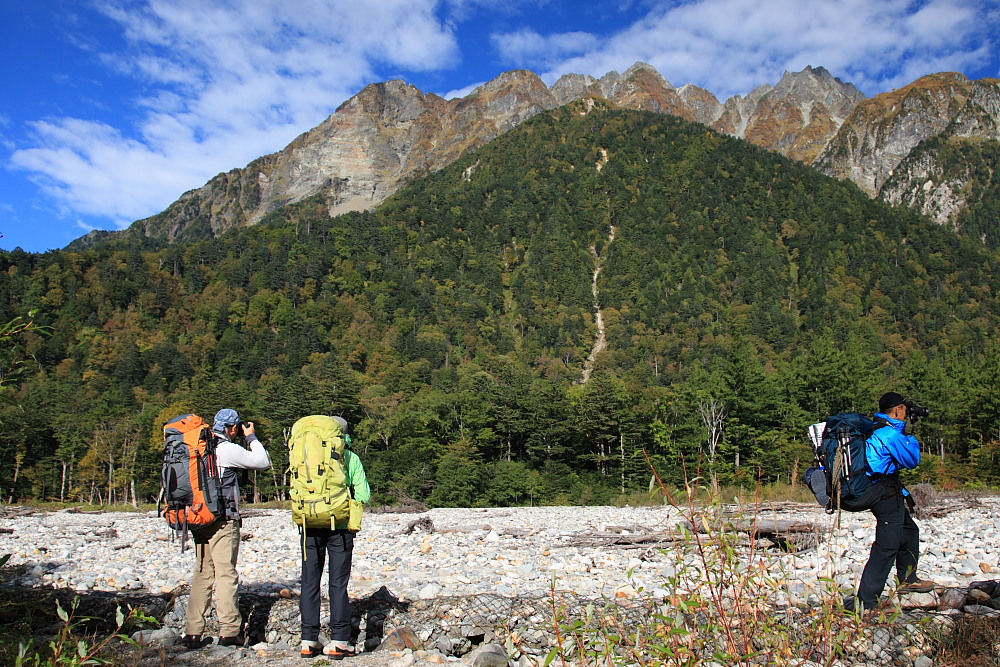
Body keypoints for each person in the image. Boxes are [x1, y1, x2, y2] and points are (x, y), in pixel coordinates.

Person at [181, 408, 272, 649]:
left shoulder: (195, 448)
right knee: (225, 574)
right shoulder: (226, 448)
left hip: (198, 518)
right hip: (222, 519)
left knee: (202, 573)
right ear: (233, 428)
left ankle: (192, 632)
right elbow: (262, 462)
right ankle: (230, 631)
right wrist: (251, 437)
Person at [845, 392, 935, 612]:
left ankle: (908, 579)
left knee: (909, 530)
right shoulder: (890, 435)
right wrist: (910, 435)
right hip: (883, 492)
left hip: (885, 489)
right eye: (905, 408)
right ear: (897, 410)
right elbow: (912, 460)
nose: (907, 412)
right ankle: (867, 601)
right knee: (886, 546)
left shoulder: (874, 428)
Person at [299, 416, 371, 659]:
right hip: (339, 527)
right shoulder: (349, 457)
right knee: (337, 583)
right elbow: (363, 493)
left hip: (309, 523)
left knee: (310, 582)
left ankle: (308, 640)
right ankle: (339, 640)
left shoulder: (307, 453)